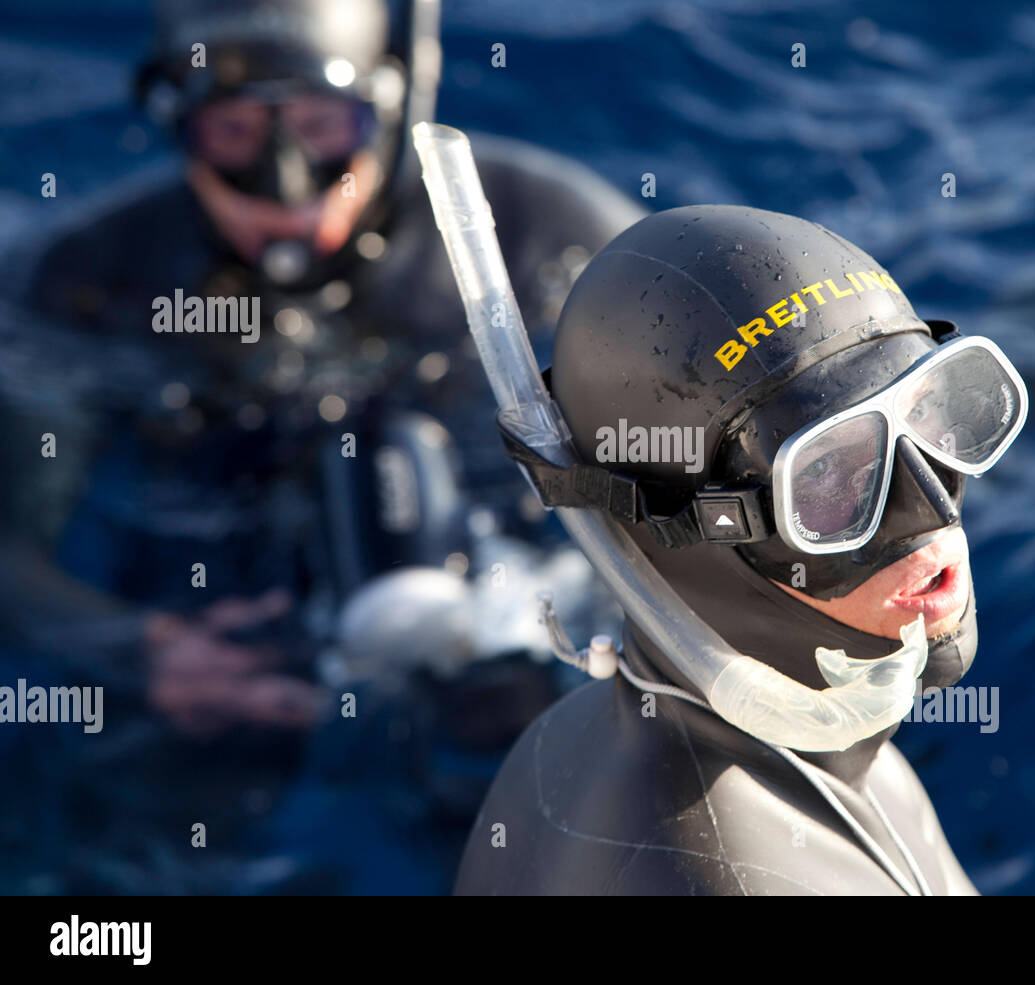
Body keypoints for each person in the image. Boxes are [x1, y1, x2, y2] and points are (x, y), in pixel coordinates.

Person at [0, 0, 641, 893]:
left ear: (392, 99)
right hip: (223, 597)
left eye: (322, 126)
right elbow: (9, 548)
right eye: (232, 132)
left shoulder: (546, 241)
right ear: (172, 121)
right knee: (135, 827)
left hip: (495, 576)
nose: (286, 183)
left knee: (536, 769)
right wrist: (135, 648)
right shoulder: (83, 280)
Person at [452, 205, 1028, 895]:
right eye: (824, 473)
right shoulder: (728, 873)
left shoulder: (575, 740)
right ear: (692, 534)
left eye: (928, 412)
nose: (931, 504)